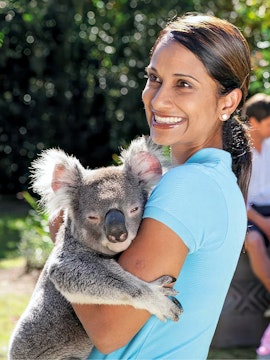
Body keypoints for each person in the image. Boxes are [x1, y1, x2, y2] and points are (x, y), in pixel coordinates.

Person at [51, 13, 252, 359]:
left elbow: (109, 331)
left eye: (183, 84)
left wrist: (64, 241)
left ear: (228, 102)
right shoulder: (212, 179)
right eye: (154, 78)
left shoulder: (189, 186)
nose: (158, 100)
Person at [242, 93, 270, 359]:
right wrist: (263, 222)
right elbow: (239, 200)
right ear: (253, 122)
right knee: (254, 241)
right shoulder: (239, 154)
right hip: (249, 215)